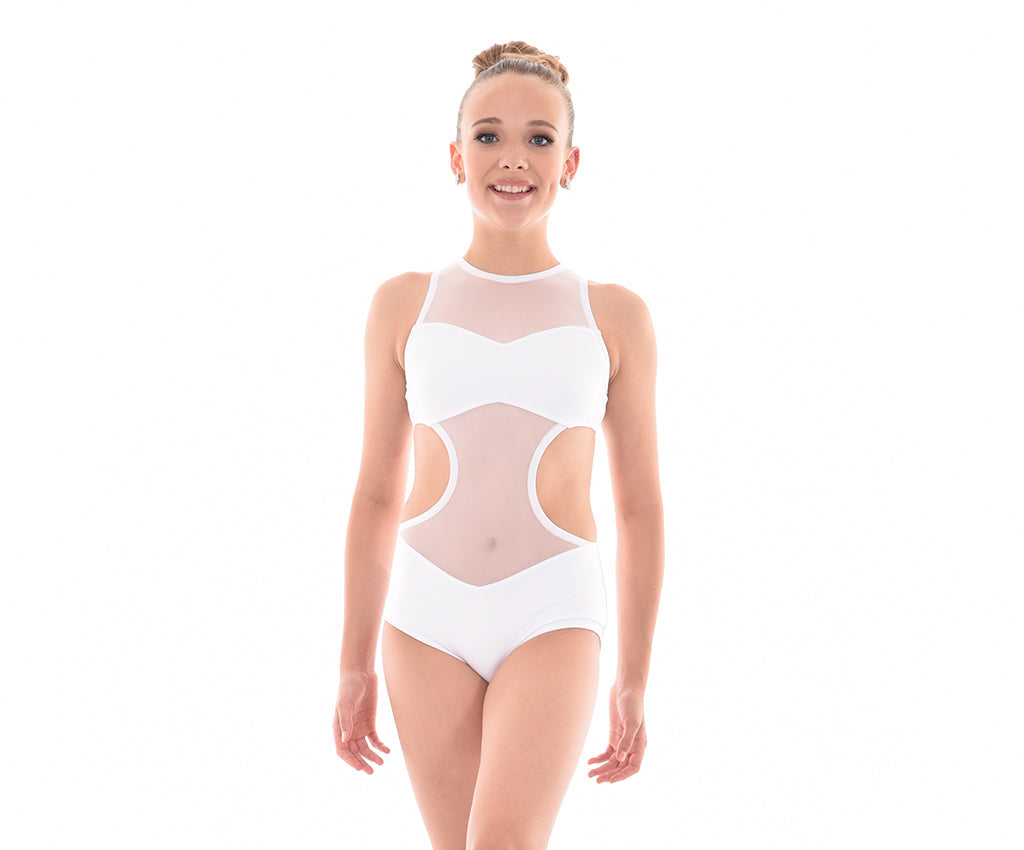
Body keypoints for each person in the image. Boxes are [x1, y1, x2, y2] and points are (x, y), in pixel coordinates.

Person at [333, 41, 664, 850]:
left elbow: (640, 507)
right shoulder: (403, 304)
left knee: (503, 841)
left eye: (539, 138)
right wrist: (353, 663)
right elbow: (375, 493)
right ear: (455, 157)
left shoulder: (614, 315)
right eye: (488, 136)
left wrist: (633, 677)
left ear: (570, 163)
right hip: (426, 615)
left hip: (552, 607)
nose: (513, 157)